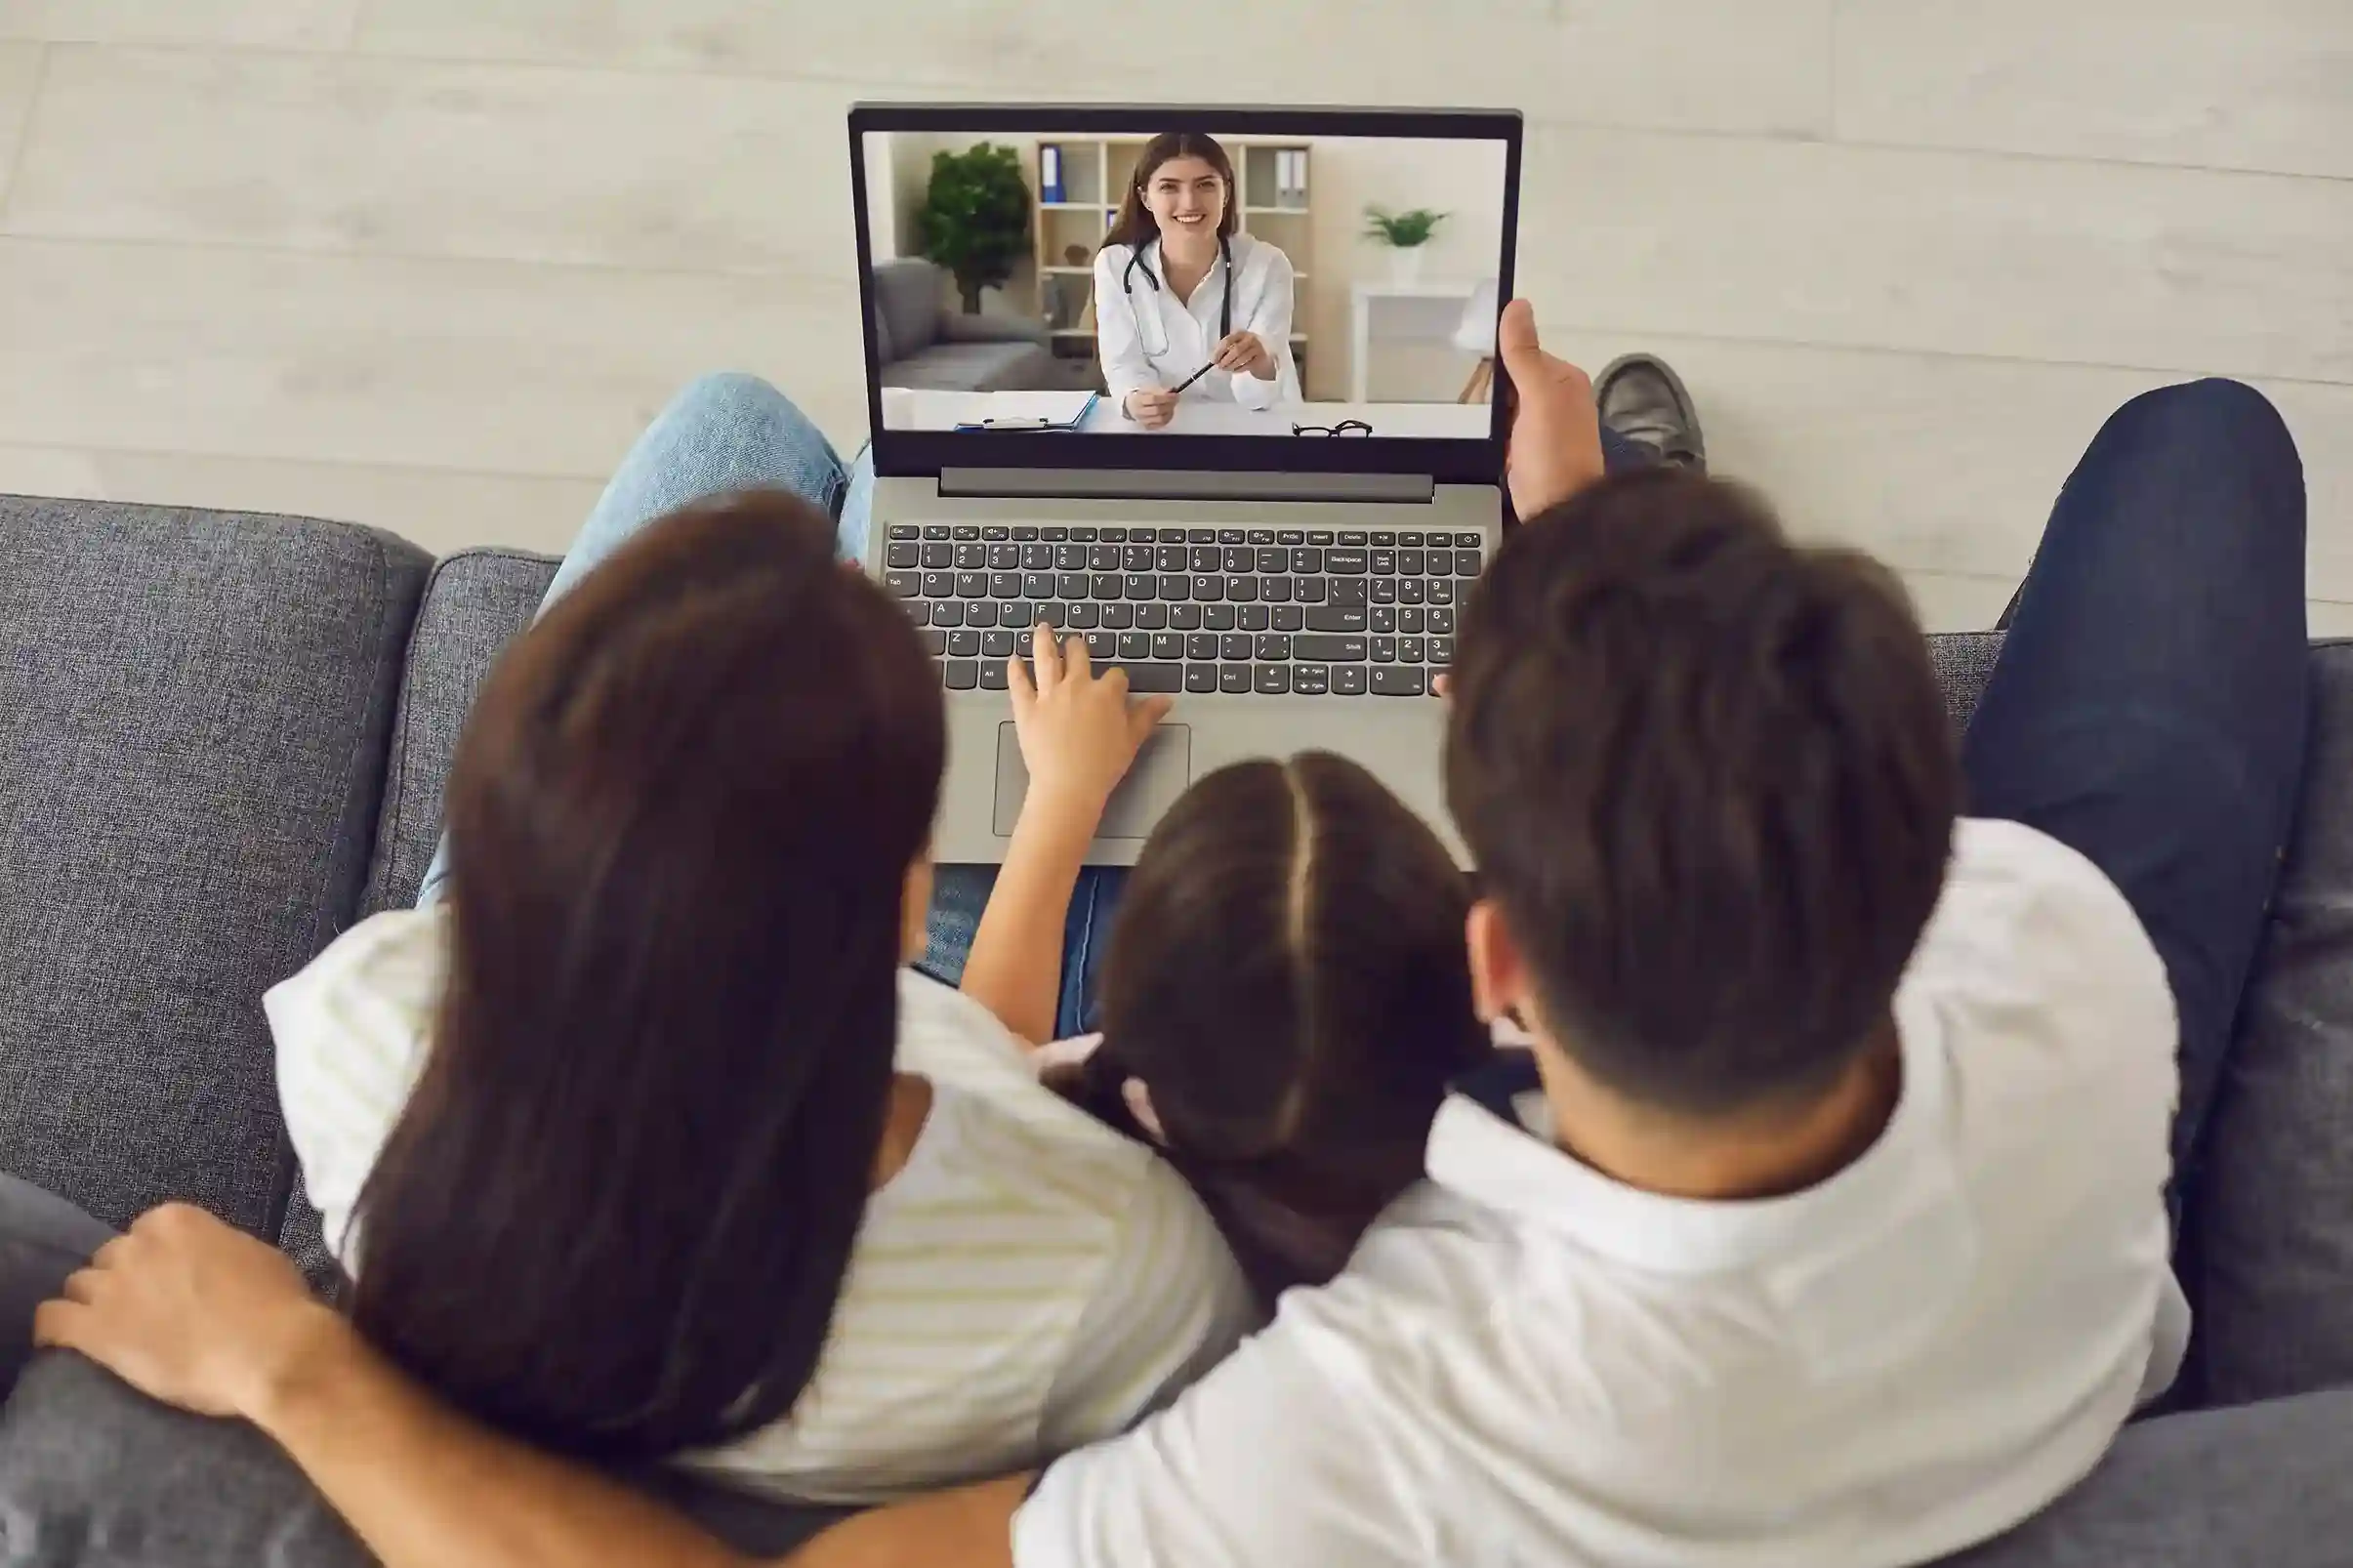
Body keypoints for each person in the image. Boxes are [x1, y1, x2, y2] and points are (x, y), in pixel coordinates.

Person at [34, 304, 2308, 1568]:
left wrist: (301, 1367)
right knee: (2208, 439)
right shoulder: (2067, 966)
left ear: (1495, 963)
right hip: (2039, 1345)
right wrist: (1599, 551)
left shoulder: (1350, 1418)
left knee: (752, 421)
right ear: (1918, 834)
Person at [254, 484, 1256, 1502]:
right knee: (846, 460)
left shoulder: (359, 1017)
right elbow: (986, 1061)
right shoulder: (1115, 1266)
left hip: (542, 912)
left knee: (768, 439)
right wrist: (1066, 794)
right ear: (906, 914)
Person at [1043, 752, 1494, 1300]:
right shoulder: (1515, 1195)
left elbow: (984, 1042)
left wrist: (1061, 798)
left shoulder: (1072, 1152)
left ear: (1151, 1104)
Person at [1093, 131, 1300, 429]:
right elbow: (1124, 364)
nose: (1189, 202)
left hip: (1259, 429)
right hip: (1167, 431)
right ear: (1145, 197)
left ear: (1225, 192)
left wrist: (1260, 363)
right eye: (1169, 187)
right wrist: (1137, 399)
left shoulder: (1268, 265)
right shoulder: (1115, 265)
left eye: (1205, 185)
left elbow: (1259, 398)